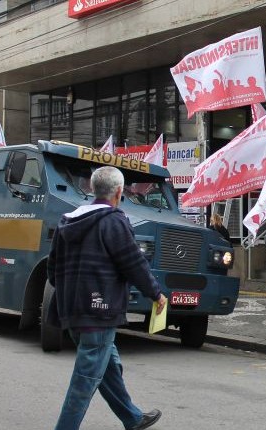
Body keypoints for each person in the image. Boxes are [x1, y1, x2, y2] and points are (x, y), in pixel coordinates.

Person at [47, 166, 167, 430]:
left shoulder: (67, 220)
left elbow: (52, 270)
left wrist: (70, 294)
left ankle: (132, 418)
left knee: (107, 366)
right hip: (100, 310)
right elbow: (133, 263)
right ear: (119, 192)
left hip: (72, 310)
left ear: (92, 189)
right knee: (86, 379)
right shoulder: (114, 220)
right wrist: (155, 293)